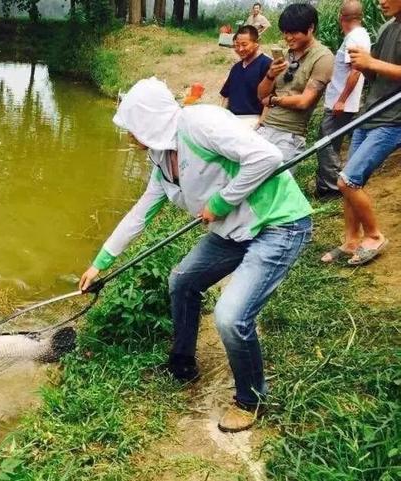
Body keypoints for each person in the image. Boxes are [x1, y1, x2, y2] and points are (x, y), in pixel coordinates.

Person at [79, 77, 312, 433]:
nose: (129, 136)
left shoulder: (200, 123)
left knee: (231, 317)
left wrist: (220, 202)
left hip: (276, 224)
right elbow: (139, 213)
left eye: (132, 127)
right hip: (232, 231)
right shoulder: (161, 159)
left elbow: (268, 157)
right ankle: (182, 363)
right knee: (182, 281)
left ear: (147, 121)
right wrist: (100, 263)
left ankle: (251, 399)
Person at [322, 0, 401, 265]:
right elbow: (375, 71)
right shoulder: (388, 27)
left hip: (393, 119)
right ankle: (351, 240)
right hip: (370, 114)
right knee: (352, 182)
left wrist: (371, 64)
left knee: (348, 180)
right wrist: (364, 65)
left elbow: (378, 66)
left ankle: (374, 236)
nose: (380, 1)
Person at [257, 3, 334, 162]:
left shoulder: (323, 57)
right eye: (285, 32)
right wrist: (270, 75)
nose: (288, 37)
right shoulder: (284, 55)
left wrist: (273, 100)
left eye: (293, 32)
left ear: (311, 27)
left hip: (289, 135)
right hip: (265, 128)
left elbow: (304, 101)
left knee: (277, 183)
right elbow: (261, 95)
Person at [316, 1, 371, 200]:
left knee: (326, 143)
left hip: (340, 103)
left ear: (341, 17)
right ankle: (330, 185)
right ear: (361, 16)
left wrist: (341, 100)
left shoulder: (353, 38)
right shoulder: (361, 35)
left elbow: (355, 71)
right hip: (344, 101)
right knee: (332, 143)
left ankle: (331, 189)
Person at [220, 25, 272, 118]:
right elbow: (226, 96)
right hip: (231, 119)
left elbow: (270, 97)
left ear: (257, 43)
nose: (240, 49)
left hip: (254, 119)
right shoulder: (235, 68)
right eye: (237, 45)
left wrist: (261, 122)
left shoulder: (267, 64)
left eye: (244, 45)